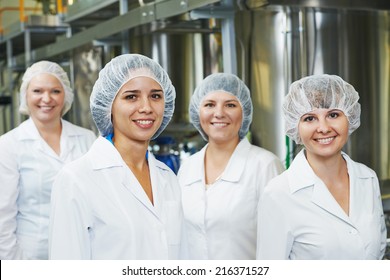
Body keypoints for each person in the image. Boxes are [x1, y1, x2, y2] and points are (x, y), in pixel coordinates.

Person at [49, 54, 187, 259]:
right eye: (131, 96)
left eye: (155, 96)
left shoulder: (167, 177)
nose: (146, 107)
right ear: (108, 106)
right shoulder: (77, 179)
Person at [257, 74, 387, 260]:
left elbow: (378, 252)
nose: (324, 128)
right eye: (310, 118)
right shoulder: (278, 194)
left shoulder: (368, 178)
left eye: (333, 115)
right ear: (296, 127)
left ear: (349, 117)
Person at [178, 73, 285, 259]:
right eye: (209, 104)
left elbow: (281, 245)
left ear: (244, 112)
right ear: (198, 111)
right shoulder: (187, 168)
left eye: (230, 105)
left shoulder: (265, 166)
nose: (219, 113)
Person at [0, 61, 96, 260]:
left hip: (82, 252)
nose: (47, 98)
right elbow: (3, 217)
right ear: (25, 95)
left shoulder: (86, 139)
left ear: (66, 95)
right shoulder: (9, 145)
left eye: (55, 91)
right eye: (37, 91)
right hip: (31, 257)